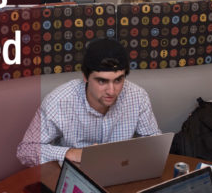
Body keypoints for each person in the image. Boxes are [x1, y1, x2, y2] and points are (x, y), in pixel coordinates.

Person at [16, 37, 160, 166]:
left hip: (121, 172)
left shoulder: (138, 96)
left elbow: (155, 143)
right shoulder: (59, 101)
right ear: (85, 77)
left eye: (118, 80)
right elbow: (26, 149)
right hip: (76, 175)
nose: (111, 90)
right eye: (102, 81)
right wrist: (70, 153)